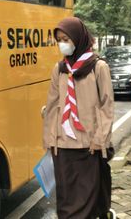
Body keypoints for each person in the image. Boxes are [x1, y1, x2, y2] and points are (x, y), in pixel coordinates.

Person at [43, 17, 114, 219]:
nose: (62, 44)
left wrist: (100, 139)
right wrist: (50, 139)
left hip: (89, 146)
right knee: (66, 203)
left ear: (78, 38)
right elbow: (53, 105)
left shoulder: (98, 67)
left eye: (66, 38)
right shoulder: (60, 69)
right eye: (59, 39)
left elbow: (106, 106)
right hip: (63, 147)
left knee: (87, 204)